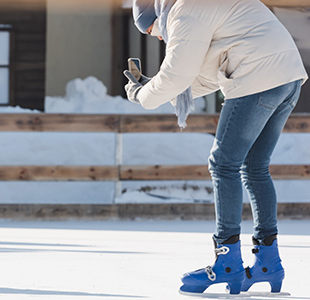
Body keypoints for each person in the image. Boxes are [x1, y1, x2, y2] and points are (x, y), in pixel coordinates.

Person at [126, 0, 307, 296]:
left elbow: (177, 75)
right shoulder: (203, 7)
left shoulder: (183, 11)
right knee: (255, 168)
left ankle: (227, 262)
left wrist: (143, 94)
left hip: (257, 76)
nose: (159, 36)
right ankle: (267, 262)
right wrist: (156, 87)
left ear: (158, 13)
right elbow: (206, 73)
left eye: (154, 29)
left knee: (223, 164)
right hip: (286, 78)